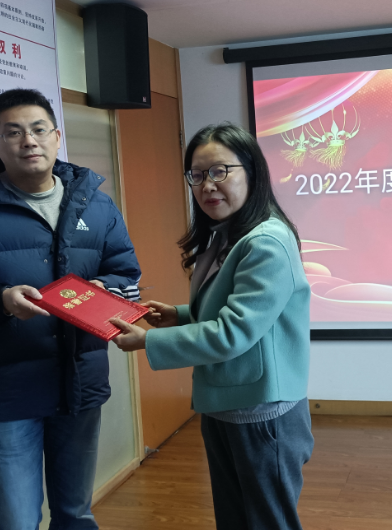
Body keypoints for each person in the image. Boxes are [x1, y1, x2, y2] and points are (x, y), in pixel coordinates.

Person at [0, 88, 141, 530]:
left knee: (76, 514)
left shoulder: (96, 204)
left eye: (38, 129)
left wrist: (104, 291)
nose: (29, 141)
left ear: (57, 137)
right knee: (16, 520)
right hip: (5, 393)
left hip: (79, 387)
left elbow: (127, 280)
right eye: (13, 132)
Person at [110, 123, 313, 530]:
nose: (207, 186)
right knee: (236, 520)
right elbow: (235, 309)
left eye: (220, 171)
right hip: (228, 402)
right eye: (198, 174)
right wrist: (181, 314)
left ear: (252, 172)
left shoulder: (266, 242)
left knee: (267, 521)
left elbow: (233, 332)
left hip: (260, 411)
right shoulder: (230, 234)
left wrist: (151, 340)